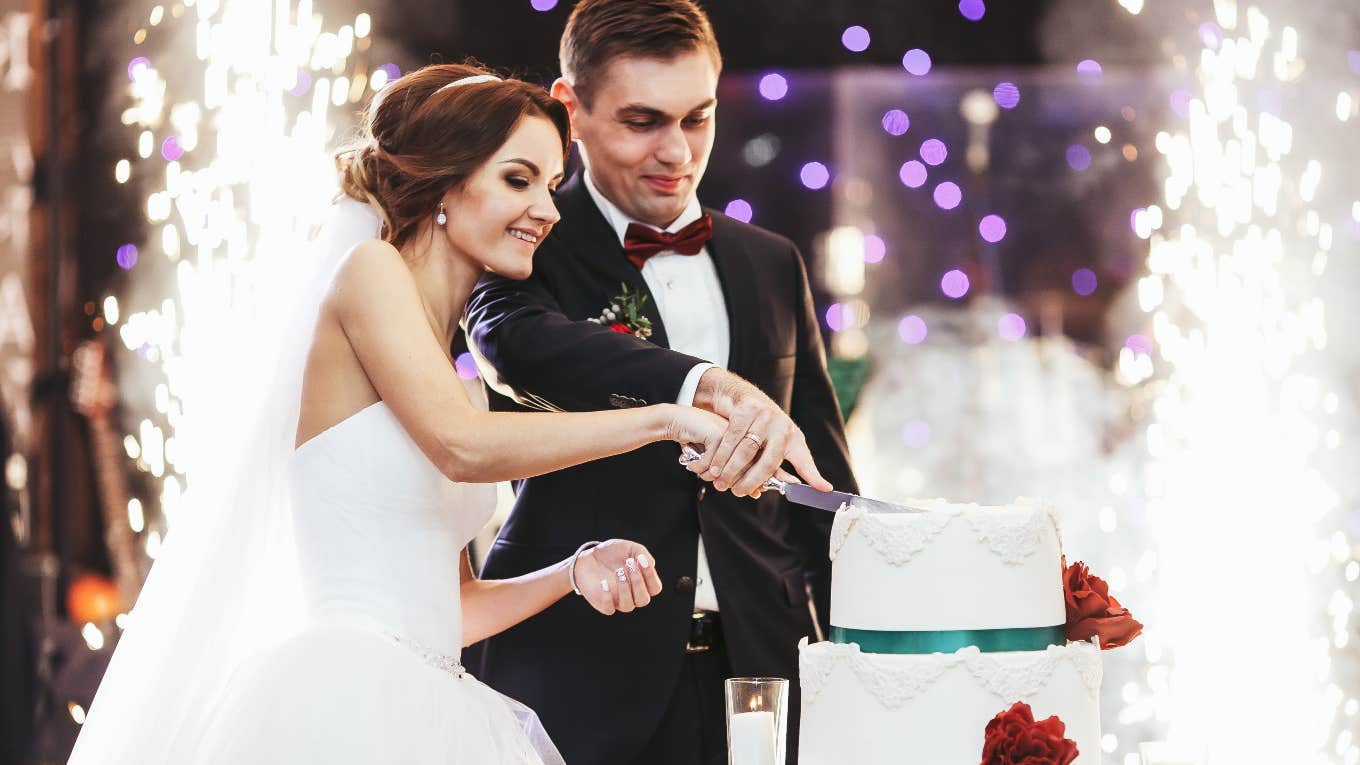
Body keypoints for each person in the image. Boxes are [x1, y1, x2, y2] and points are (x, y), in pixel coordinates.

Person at [67, 63, 746, 765]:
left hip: (435, 701)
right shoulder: (370, 272)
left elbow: (454, 609)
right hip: (349, 693)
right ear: (447, 183)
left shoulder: (452, 374)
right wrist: (665, 417)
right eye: (519, 179)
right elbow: (463, 448)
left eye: (549, 184)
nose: (547, 209)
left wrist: (572, 569)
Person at [463, 1, 859, 762]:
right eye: (642, 121)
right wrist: (704, 385)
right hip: (577, 670)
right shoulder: (525, 236)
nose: (676, 151)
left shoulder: (771, 260)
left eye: (697, 118)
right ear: (570, 110)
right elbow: (513, 343)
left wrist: (865, 658)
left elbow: (823, 487)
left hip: (762, 675)